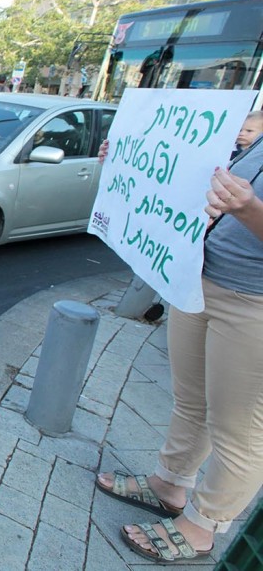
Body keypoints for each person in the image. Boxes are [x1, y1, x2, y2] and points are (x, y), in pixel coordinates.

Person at [94, 128, 263, 563]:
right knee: (191, 400)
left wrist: (248, 209)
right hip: (201, 280)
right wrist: (130, 157)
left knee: (238, 430)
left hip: (253, 305)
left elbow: (241, 206)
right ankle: (169, 483)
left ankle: (203, 527)